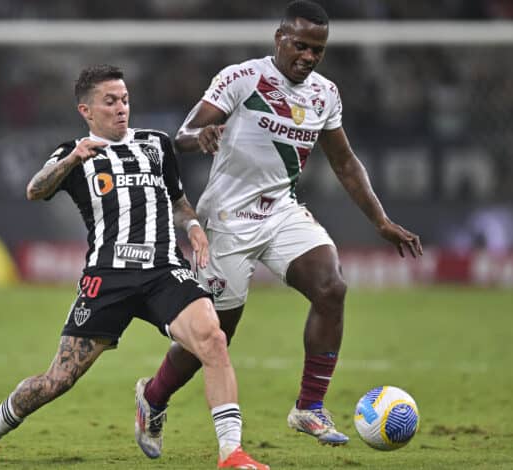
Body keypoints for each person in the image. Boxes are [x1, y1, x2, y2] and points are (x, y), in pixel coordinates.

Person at [133, 0, 424, 452]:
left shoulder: (325, 94)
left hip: (281, 211)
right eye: (302, 46)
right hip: (227, 220)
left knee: (331, 287)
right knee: (216, 335)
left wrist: (380, 220)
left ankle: (309, 407)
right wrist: (201, 137)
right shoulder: (241, 78)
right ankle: (152, 397)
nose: (308, 57)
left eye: (318, 50)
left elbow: (345, 163)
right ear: (280, 39)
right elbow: (184, 134)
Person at [0, 64, 269, 470]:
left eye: (124, 99)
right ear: (86, 110)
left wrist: (193, 226)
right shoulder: (75, 152)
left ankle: (231, 453)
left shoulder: (157, 144)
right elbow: (35, 190)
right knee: (58, 379)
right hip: (108, 278)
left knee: (212, 338)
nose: (121, 108)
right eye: (110, 101)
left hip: (163, 271)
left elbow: (177, 200)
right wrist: (72, 159)